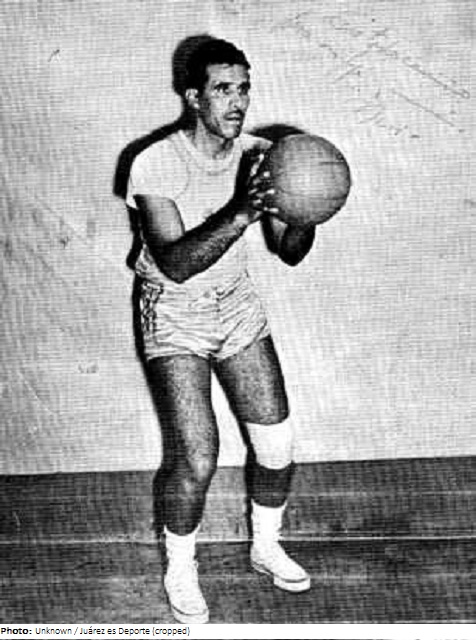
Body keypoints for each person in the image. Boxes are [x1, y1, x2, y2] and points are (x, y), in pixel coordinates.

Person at [126, 38, 333, 624]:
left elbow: (289, 250)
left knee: (276, 443)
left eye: (244, 88)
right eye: (223, 89)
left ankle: (266, 546)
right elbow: (176, 262)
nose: (237, 102)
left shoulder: (261, 154)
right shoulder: (154, 163)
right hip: (174, 308)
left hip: (235, 304)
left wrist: (307, 208)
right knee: (197, 457)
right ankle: (180, 566)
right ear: (194, 97)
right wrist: (243, 209)